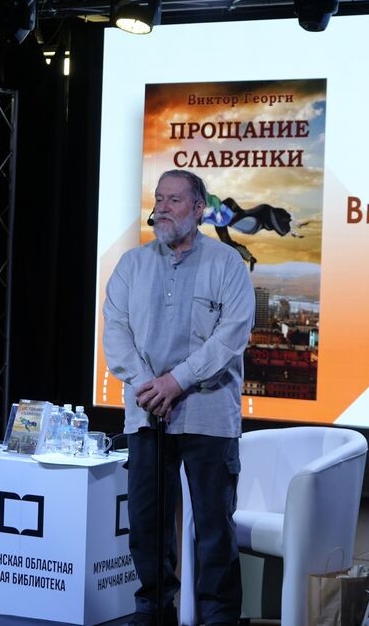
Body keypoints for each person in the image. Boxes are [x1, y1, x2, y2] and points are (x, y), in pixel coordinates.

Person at [103, 169, 255, 626]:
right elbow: (116, 333)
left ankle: (218, 617)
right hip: (147, 413)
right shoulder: (131, 265)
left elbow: (231, 336)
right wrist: (150, 385)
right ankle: (152, 608)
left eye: (174, 200)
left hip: (208, 415)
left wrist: (177, 382)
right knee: (147, 523)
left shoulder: (228, 264)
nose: (162, 208)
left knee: (213, 525)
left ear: (199, 208)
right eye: (159, 199)